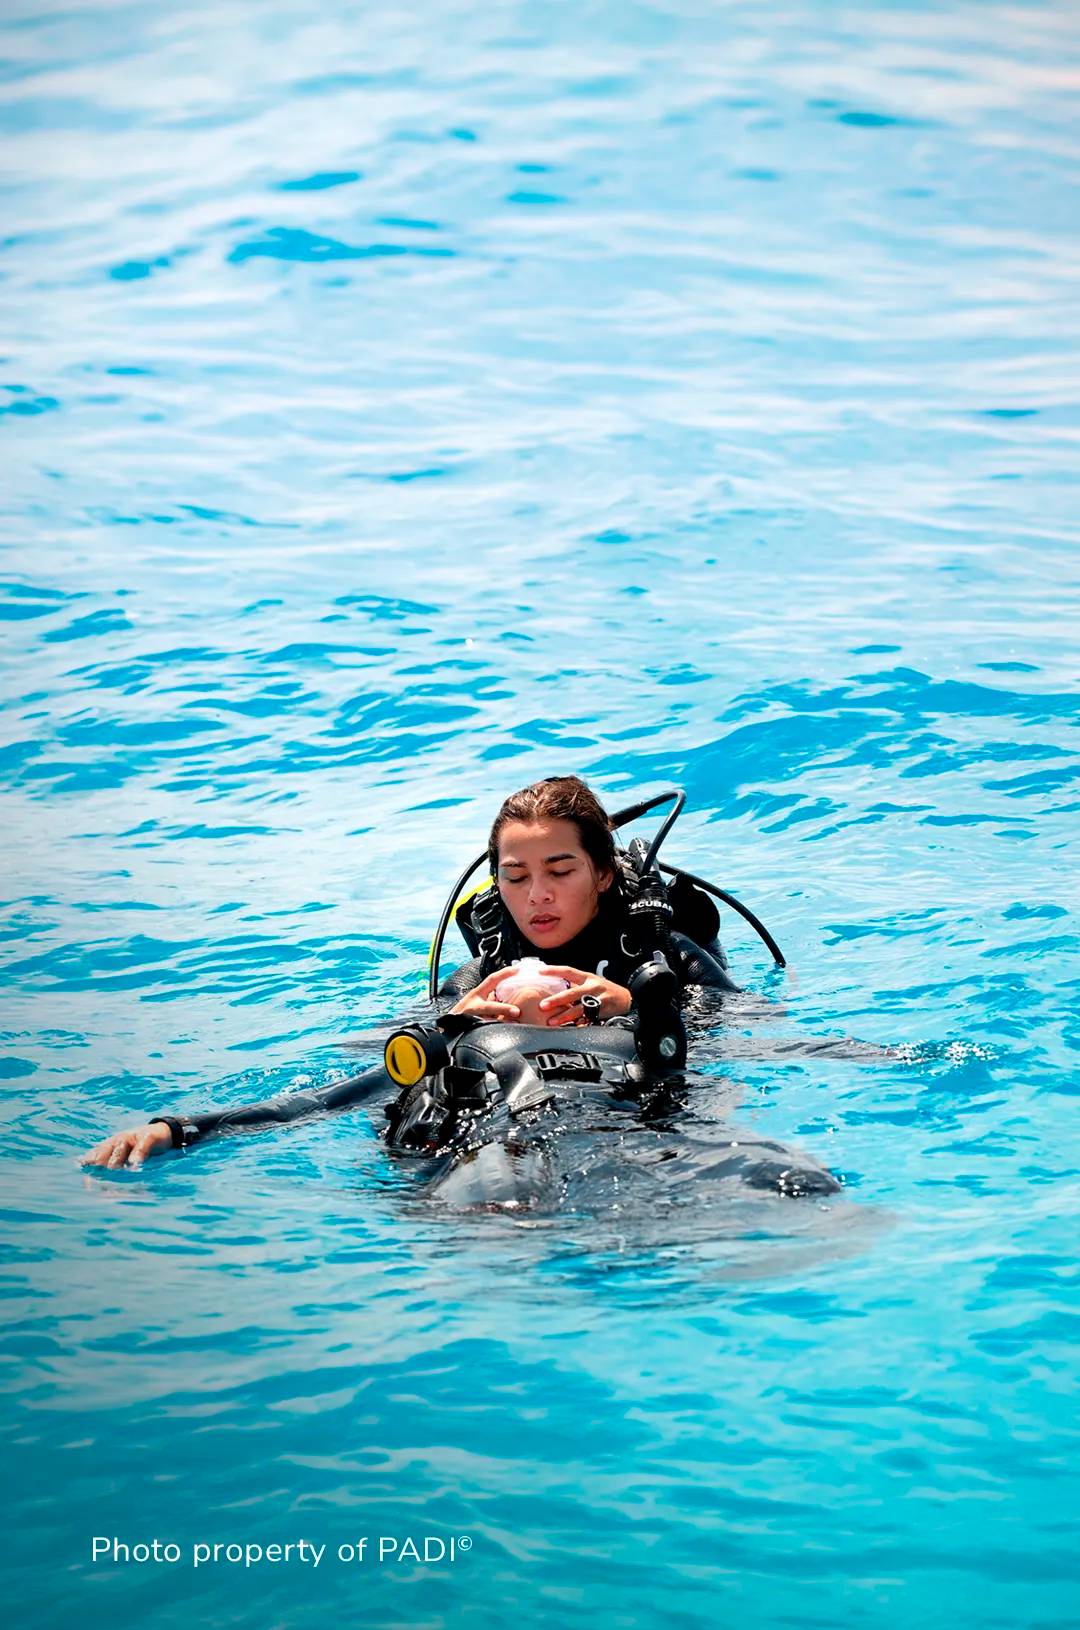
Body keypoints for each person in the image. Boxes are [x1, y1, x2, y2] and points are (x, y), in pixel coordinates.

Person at [81, 776, 736, 1169]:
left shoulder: (665, 959)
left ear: (599, 872)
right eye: (516, 876)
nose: (537, 894)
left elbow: (742, 1044)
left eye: (559, 872)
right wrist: (184, 1127)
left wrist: (632, 1001)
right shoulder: (484, 981)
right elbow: (345, 1087)